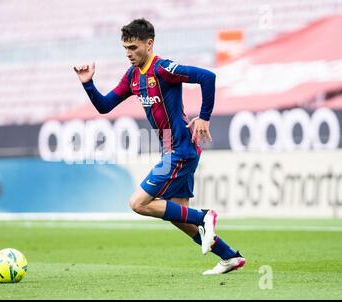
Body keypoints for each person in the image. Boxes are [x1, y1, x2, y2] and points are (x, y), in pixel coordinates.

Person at [74, 18, 245, 275]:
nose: (129, 54)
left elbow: (207, 77)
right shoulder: (133, 76)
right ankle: (229, 257)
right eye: (126, 49)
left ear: (149, 43)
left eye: (133, 47)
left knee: (139, 203)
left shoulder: (164, 69)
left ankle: (205, 216)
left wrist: (205, 116)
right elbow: (104, 106)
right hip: (172, 149)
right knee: (178, 216)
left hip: (180, 150)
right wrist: (88, 83)